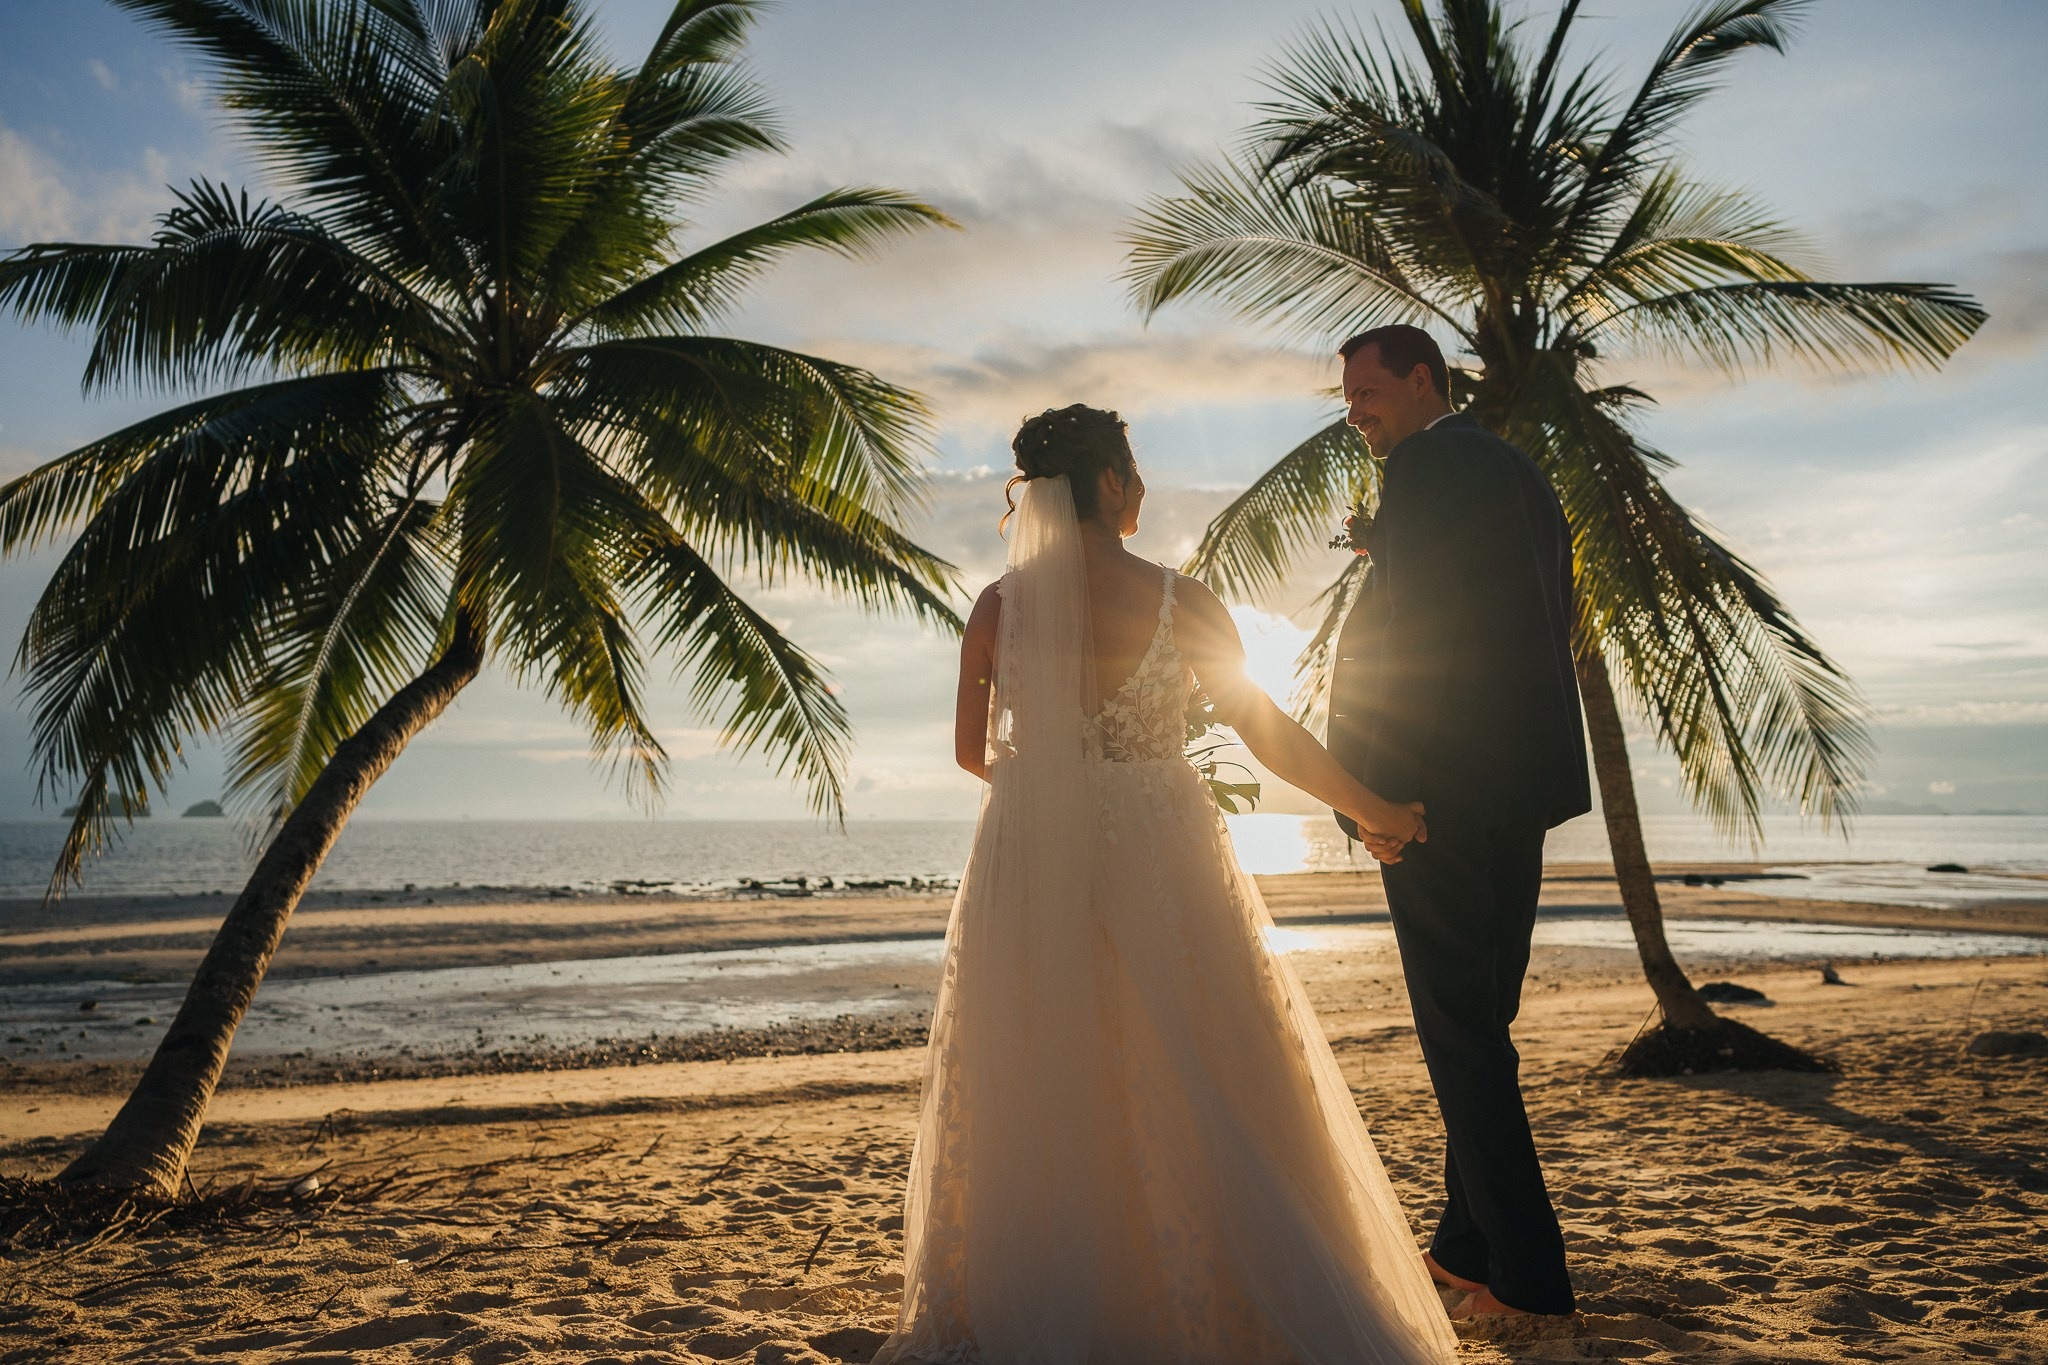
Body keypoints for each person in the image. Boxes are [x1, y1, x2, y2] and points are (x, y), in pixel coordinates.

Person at [873, 404, 1457, 1365]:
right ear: (1108, 482)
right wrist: (1373, 809)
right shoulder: (1182, 601)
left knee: (1044, 1057)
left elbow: (974, 752)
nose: (1141, 486)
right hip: (1161, 846)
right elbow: (1268, 733)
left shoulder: (996, 607)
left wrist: (1054, 791)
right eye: (1133, 470)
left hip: (1031, 858)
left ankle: (1050, 1288)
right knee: (1198, 1058)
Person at [1327, 324, 1591, 1318]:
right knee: (1483, 1022)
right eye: (1345, 394)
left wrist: (1378, 798)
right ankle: (1465, 1249)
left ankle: (1528, 1276)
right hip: (1514, 789)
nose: (1353, 407)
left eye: (1366, 388)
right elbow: (1516, 617)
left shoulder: (1429, 466)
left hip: (1434, 790)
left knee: (1460, 1036)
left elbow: (1418, 632)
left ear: (1423, 378)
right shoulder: (1518, 475)